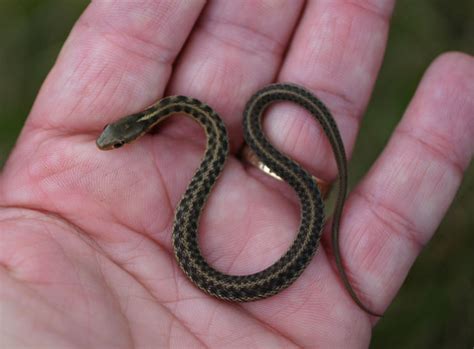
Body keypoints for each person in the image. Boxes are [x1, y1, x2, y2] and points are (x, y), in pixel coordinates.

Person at [0, 1, 472, 347]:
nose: (112, 144)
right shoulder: (184, 116)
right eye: (114, 140)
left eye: (117, 140)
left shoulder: (191, 116)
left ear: (136, 132)